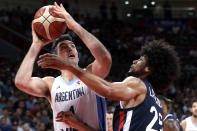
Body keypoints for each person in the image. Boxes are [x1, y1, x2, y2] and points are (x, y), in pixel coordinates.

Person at [38, 40, 180, 130]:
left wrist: (70, 67)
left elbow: (107, 89)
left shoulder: (137, 84)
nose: (135, 61)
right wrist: (79, 124)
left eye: (141, 59)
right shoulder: (152, 100)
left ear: (148, 69)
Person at [14, 2, 112, 131]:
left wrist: (75, 26)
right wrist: (36, 44)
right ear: (56, 56)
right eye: (64, 47)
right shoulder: (51, 84)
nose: (70, 49)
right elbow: (21, 82)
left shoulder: (90, 74)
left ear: (77, 53)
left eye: (72, 46)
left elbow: (104, 59)